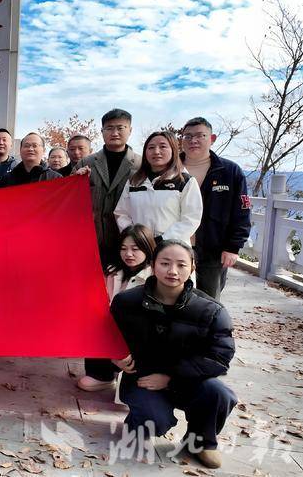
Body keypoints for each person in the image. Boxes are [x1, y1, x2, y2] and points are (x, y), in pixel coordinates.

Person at [110, 240, 236, 470]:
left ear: (192, 267)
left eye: (181, 265)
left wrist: (171, 377)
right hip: (143, 379)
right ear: (152, 265)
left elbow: (220, 356)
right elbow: (104, 338)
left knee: (219, 393)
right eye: (165, 263)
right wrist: (114, 357)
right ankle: (137, 425)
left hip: (189, 380)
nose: (173, 271)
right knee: (153, 420)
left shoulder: (210, 310)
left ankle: (200, 442)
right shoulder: (126, 302)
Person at [77, 224, 155, 392]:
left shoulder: (154, 278)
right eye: (123, 249)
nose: (128, 254)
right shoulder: (112, 272)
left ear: (147, 248)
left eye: (135, 249)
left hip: (136, 344)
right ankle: (102, 374)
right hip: (109, 340)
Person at [181, 117, 251, 300]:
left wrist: (233, 247)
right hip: (176, 245)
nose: (193, 141)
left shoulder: (229, 171)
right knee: (172, 298)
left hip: (212, 249)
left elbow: (242, 212)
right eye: (187, 136)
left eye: (200, 136)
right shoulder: (171, 168)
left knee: (208, 301)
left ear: (212, 139)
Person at [74, 109, 141, 268]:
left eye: (120, 128)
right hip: (91, 240)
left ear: (130, 130)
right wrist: (75, 181)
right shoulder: (86, 163)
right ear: (102, 131)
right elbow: (69, 199)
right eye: (109, 128)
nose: (115, 133)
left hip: (127, 243)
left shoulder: (141, 165)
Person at [114, 131, 203, 244]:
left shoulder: (185, 181)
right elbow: (122, 213)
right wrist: (136, 237)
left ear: (173, 150)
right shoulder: (134, 181)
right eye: (151, 147)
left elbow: (191, 218)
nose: (156, 151)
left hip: (174, 247)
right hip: (141, 246)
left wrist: (163, 240)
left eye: (163, 146)